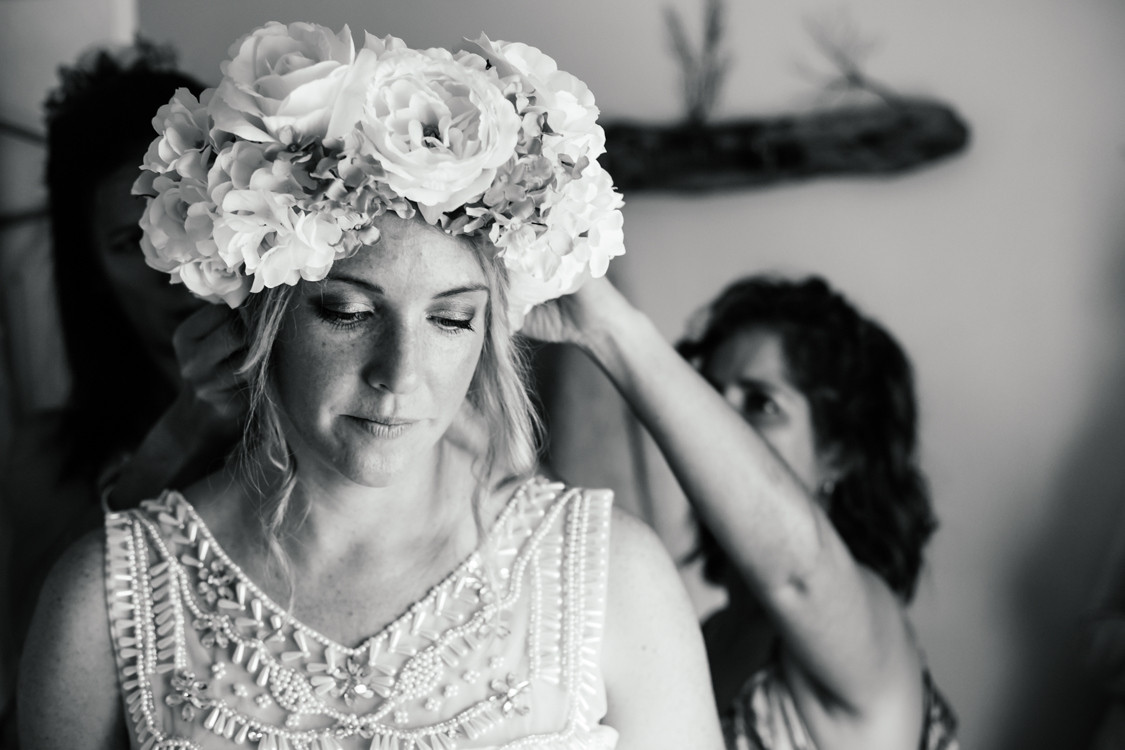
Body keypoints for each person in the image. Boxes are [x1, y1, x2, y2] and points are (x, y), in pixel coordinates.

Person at [17, 23, 722, 749]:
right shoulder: (103, 597)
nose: (401, 374)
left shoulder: (610, 577)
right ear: (261, 313)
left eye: (451, 320)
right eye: (348, 312)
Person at [528, 274, 957, 749]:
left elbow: (799, 574)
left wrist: (606, 328)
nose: (716, 418)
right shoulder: (709, 634)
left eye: (762, 403)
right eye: (710, 391)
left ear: (838, 452)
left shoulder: (874, 636)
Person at [0, 41, 243, 735]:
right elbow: (27, 715)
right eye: (124, 242)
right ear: (92, 275)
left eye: (185, 215)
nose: (169, 265)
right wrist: (181, 436)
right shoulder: (49, 461)